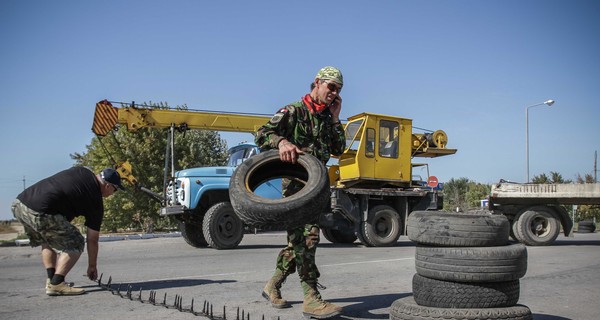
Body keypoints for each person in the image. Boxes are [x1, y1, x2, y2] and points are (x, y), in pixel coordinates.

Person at [255, 66, 346, 319]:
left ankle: (272, 284)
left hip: (318, 187)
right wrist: (282, 142)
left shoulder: (329, 117)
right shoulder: (294, 111)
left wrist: (337, 117)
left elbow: (339, 149)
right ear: (317, 83)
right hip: (297, 186)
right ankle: (311, 298)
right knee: (309, 238)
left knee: (297, 242)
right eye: (331, 86)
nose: (334, 92)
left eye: (338, 89)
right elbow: (262, 134)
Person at [11, 166, 124, 296]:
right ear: (108, 186)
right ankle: (57, 284)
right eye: (115, 190)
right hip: (41, 212)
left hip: (20, 204)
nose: (112, 194)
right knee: (76, 242)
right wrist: (92, 266)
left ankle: (51, 279)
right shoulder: (95, 202)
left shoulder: (82, 170)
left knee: (49, 239)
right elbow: (92, 239)